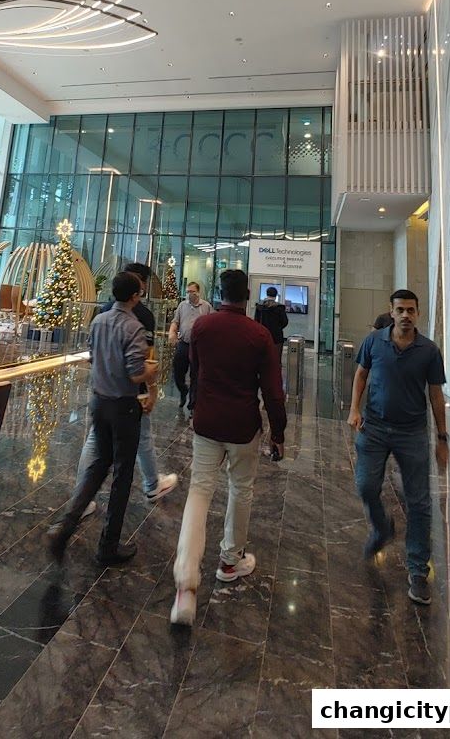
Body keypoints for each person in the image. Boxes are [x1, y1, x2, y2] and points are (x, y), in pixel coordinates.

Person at [170, 269, 287, 627]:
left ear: (218, 293)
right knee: (241, 490)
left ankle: (186, 588)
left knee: (199, 494)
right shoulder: (259, 335)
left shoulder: (202, 328)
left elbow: (195, 373)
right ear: (247, 295)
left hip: (206, 423)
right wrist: (278, 433)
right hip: (241, 427)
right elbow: (272, 390)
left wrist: (193, 408)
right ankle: (229, 561)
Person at [47, 271, 159, 566]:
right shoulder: (133, 327)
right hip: (123, 407)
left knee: (98, 467)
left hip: (98, 402)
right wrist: (151, 372)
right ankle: (108, 545)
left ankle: (65, 529)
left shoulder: (98, 321)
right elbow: (136, 373)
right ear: (135, 296)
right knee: (122, 475)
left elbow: (93, 357)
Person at [347, 288, 448, 606]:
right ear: (391, 312)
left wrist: (442, 438)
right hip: (374, 428)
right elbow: (361, 374)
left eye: (411, 310)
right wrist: (354, 409)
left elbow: (435, 395)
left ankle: (418, 571)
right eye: (400, 309)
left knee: (419, 503)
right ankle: (381, 529)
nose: (406, 314)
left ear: (418, 313)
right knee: (365, 486)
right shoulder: (374, 341)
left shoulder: (429, 351)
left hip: (412, 433)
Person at [78, 262, 177, 510]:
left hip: (101, 393)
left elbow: (92, 354)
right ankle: (151, 485)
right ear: (140, 287)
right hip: (129, 395)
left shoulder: (102, 313)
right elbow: (145, 360)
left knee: (97, 440)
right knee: (137, 440)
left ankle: (82, 497)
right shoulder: (140, 317)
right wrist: (152, 389)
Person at [168, 280, 212, 417]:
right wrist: (172, 332)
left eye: (192, 292)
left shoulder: (206, 307)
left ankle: (193, 404)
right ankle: (183, 391)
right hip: (184, 344)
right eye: (187, 292)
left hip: (199, 347)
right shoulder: (182, 305)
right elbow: (176, 321)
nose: (189, 294)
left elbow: (211, 325)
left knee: (196, 375)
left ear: (198, 292)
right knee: (177, 371)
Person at [254, 286, 288, 353]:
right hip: (277, 337)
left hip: (263, 335)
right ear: (276, 296)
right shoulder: (280, 308)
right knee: (276, 357)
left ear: (267, 294)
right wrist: (278, 328)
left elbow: (256, 321)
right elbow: (285, 322)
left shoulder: (260, 307)